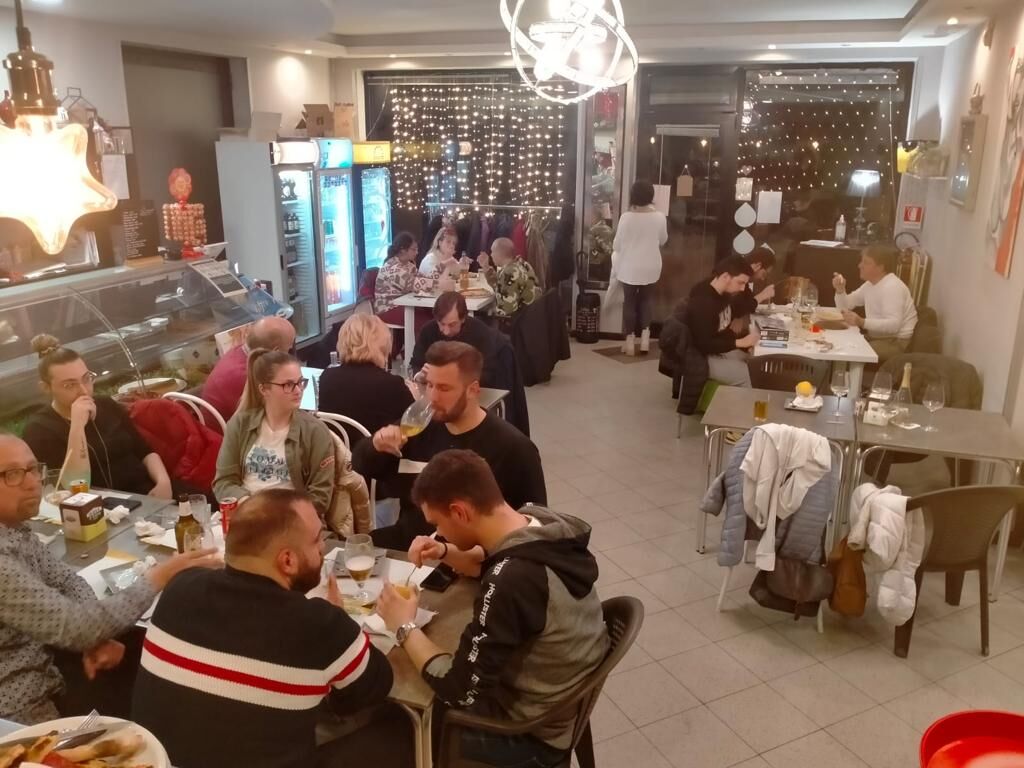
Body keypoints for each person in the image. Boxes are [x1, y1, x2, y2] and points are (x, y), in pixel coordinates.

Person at [132, 489, 406, 768]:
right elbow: (375, 686)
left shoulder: (179, 587)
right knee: (396, 727)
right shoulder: (319, 623)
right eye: (316, 540)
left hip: (154, 761)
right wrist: (340, 621)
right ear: (287, 561)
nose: (322, 548)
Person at [376, 450, 609, 768]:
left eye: (438, 524)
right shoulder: (536, 521)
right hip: (561, 692)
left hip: (531, 731)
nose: (438, 532)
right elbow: (486, 561)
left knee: (399, 727)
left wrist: (404, 626)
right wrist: (444, 551)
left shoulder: (514, 580)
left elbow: (458, 690)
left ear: (459, 512)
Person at [0, 433, 218, 724]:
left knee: (150, 674)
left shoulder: (15, 531)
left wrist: (94, 637)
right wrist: (161, 575)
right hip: (20, 708)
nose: (32, 482)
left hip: (52, 668)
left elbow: (68, 581)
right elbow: (75, 626)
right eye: (12, 474)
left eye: (32, 469)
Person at [353, 341, 545, 549]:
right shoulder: (418, 428)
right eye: (429, 385)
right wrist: (376, 445)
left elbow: (536, 525)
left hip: (472, 555)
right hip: (410, 542)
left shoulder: (514, 448)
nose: (433, 397)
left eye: (444, 388)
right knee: (352, 552)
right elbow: (361, 466)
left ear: (473, 390)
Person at [23, 334, 177, 497]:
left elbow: (144, 451)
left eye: (86, 379)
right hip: (98, 505)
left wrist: (163, 481)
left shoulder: (106, 404)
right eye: (69, 385)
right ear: (46, 388)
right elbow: (73, 485)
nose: (83, 390)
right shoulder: (39, 430)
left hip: (148, 491)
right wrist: (77, 426)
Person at [214, 349, 335, 517]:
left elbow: (320, 497)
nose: (298, 390)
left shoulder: (315, 431)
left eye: (300, 382)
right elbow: (223, 482)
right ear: (264, 389)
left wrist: (272, 514)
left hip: (292, 519)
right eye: (288, 385)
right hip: (247, 512)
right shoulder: (240, 424)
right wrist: (250, 506)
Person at [317, 314, 414, 447]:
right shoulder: (391, 384)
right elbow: (412, 427)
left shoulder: (327, 377)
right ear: (382, 344)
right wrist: (416, 399)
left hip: (338, 452)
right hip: (376, 455)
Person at [833, 245, 918, 363]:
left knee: (850, 351)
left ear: (880, 267)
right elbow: (845, 306)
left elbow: (894, 325)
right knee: (839, 343)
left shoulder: (892, 287)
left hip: (897, 342)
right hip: (880, 338)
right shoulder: (870, 284)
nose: (860, 265)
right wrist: (840, 290)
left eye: (866, 262)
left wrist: (862, 322)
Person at [685, 256, 760, 387]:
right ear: (726, 276)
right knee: (745, 374)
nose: (743, 288)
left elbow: (725, 325)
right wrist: (739, 342)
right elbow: (703, 344)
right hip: (699, 357)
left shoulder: (723, 293)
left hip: (713, 351)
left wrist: (742, 344)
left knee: (753, 362)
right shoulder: (703, 301)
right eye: (740, 283)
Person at [202, 316, 297, 421]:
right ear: (276, 351)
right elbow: (268, 417)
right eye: (288, 349)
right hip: (228, 430)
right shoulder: (246, 375)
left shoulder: (240, 351)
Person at [612, 180, 668, 354]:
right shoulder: (659, 217)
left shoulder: (626, 218)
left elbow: (617, 245)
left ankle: (629, 342)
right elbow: (663, 240)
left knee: (629, 302)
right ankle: (645, 339)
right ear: (651, 196)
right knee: (647, 300)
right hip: (651, 265)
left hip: (629, 266)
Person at [409, 291, 499, 379]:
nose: (446, 331)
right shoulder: (428, 330)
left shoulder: (480, 332)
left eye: (452, 325)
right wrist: (419, 376)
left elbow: (488, 371)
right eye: (442, 324)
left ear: (463, 319)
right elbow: (415, 364)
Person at [478, 236, 540, 322]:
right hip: (534, 316)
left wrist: (489, 310)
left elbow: (505, 311)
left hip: (521, 322)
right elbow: (501, 286)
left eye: (492, 252)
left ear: (499, 254)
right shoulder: (522, 263)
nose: (491, 255)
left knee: (479, 318)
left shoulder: (509, 272)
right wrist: (486, 267)